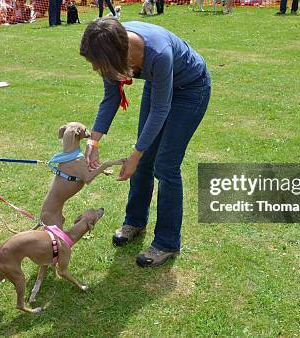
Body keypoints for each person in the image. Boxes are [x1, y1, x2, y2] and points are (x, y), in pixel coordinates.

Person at [80, 18, 211, 267]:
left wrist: (136, 154)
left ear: (120, 55)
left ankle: (166, 242)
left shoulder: (158, 52)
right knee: (143, 160)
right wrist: (93, 142)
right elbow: (111, 98)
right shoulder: (109, 47)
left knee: (165, 166)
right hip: (158, 85)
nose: (98, 70)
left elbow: (161, 109)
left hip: (191, 89)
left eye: (100, 65)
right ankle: (135, 222)